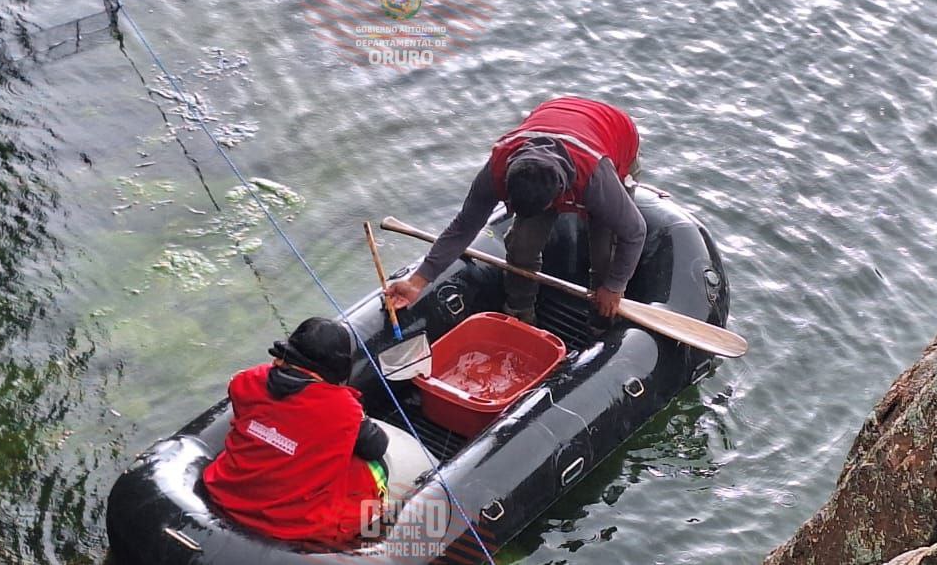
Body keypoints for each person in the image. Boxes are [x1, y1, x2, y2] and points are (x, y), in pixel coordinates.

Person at [386, 96, 647, 326]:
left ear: (554, 201)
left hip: (612, 136)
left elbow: (635, 232)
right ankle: (521, 312)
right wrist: (416, 281)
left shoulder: (596, 180)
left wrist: (614, 286)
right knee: (521, 245)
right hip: (553, 123)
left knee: (604, 255)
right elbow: (464, 226)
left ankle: (600, 323)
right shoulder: (497, 170)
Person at [203, 317, 390, 544]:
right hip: (290, 526)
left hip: (226, 494)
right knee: (375, 467)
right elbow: (376, 445)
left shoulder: (247, 380)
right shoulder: (343, 409)